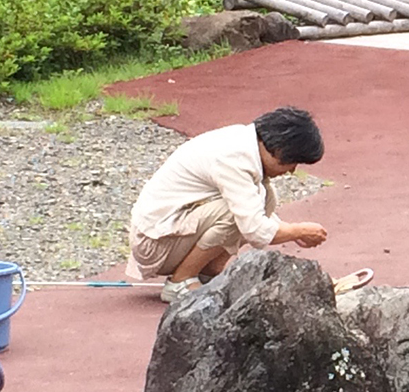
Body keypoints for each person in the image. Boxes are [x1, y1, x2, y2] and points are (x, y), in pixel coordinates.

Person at [126, 105, 330, 297]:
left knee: (266, 198)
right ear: (278, 150)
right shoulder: (235, 159)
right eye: (293, 162)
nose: (292, 170)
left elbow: (254, 211)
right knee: (235, 213)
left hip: (167, 234)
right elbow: (254, 229)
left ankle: (207, 272)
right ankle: (181, 281)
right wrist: (298, 231)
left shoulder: (246, 144)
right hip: (154, 246)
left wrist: (293, 232)